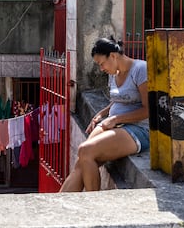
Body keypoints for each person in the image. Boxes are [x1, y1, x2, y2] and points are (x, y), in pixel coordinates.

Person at [59, 37, 149, 192]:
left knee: (85, 150)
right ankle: (57, 208)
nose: (101, 68)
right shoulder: (114, 73)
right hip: (114, 123)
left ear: (113, 55)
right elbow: (119, 99)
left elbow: (148, 110)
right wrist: (104, 112)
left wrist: (115, 119)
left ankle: (93, 205)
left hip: (137, 129)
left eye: (102, 63)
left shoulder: (140, 69)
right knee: (81, 162)